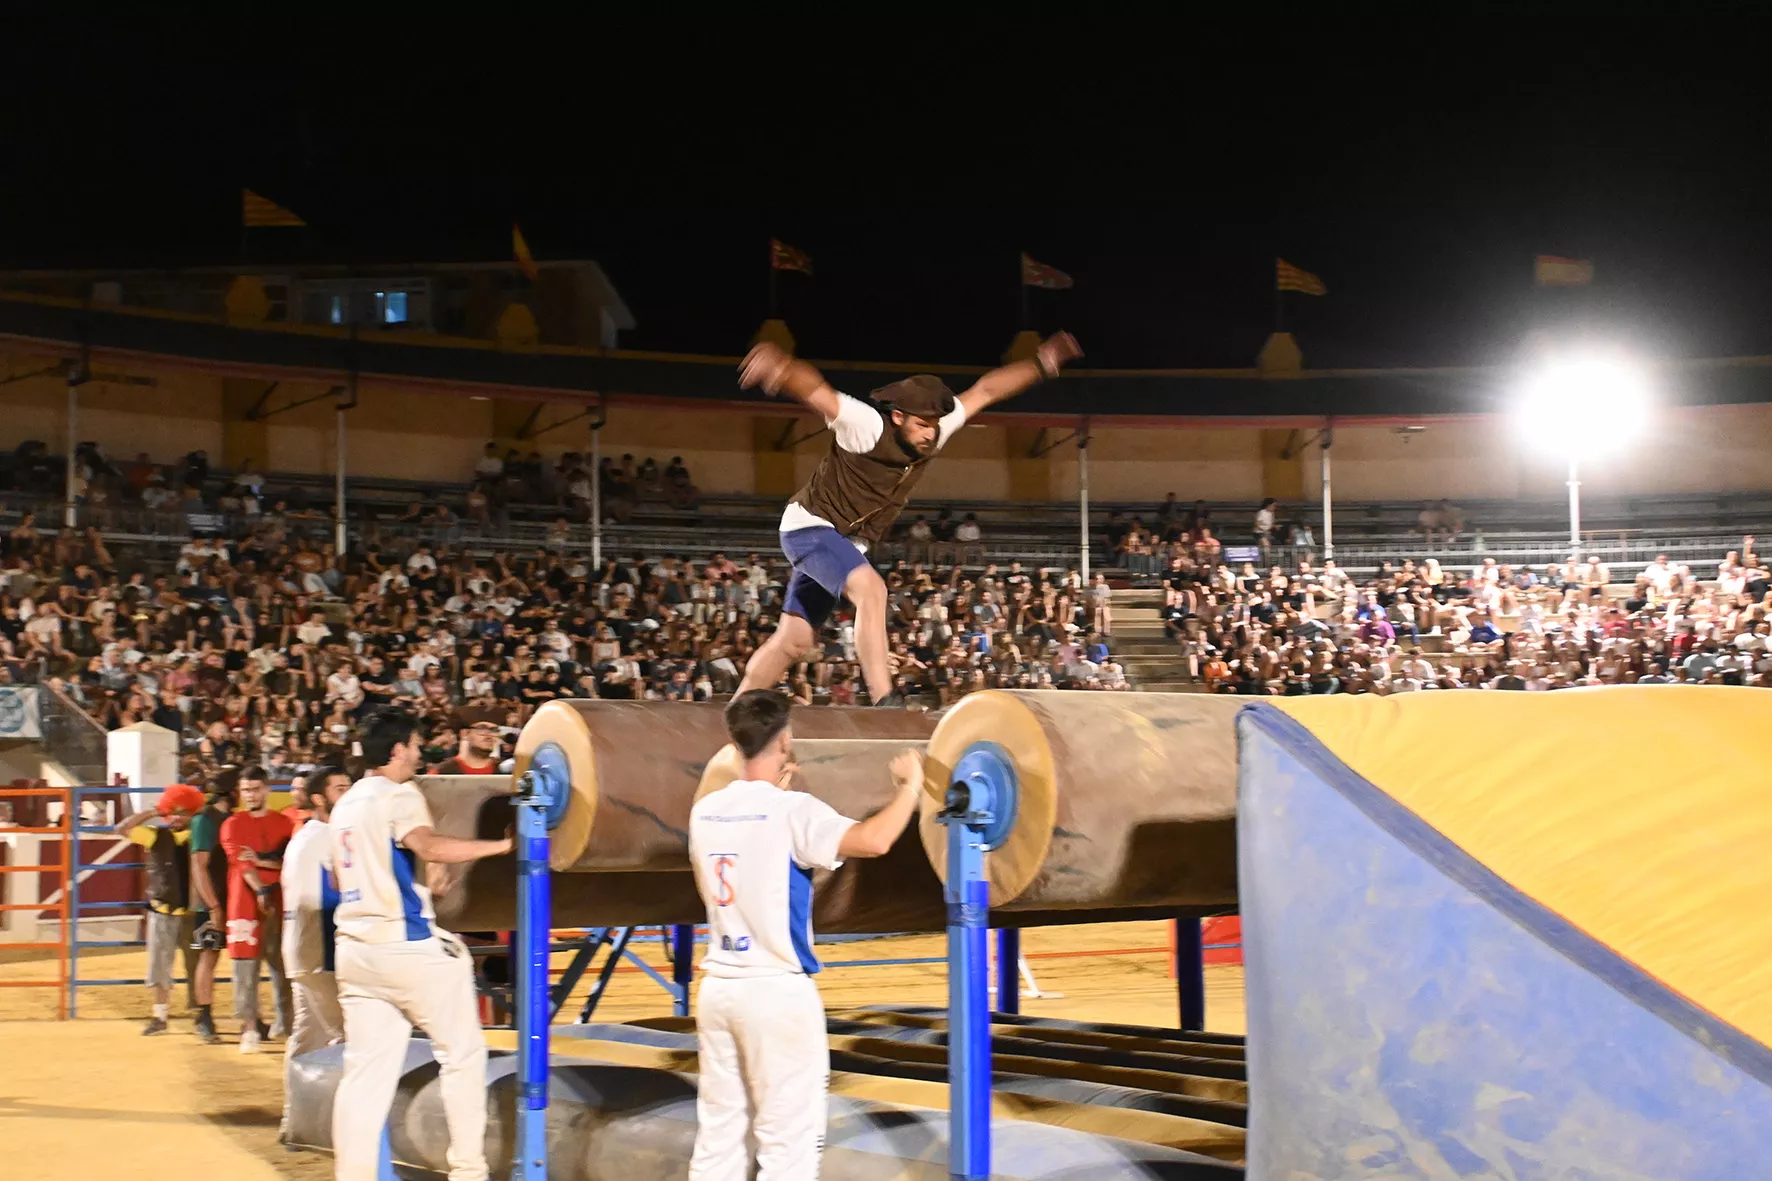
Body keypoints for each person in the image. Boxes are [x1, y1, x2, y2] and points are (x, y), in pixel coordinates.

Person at [734, 332, 1081, 706]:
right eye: (921, 425)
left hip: (843, 543)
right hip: (810, 528)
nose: (930, 434)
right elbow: (820, 393)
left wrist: (1041, 363)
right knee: (872, 590)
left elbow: (986, 390)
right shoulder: (867, 426)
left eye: (934, 424)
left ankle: (736, 714)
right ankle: (884, 700)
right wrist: (784, 368)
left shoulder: (936, 429)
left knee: (795, 641)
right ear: (898, 417)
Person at [687, 689, 927, 1180]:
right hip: (775, 990)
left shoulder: (705, 811)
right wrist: (910, 787)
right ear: (785, 740)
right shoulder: (792, 809)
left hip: (719, 987)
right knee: (788, 1148)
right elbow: (874, 841)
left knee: (719, 1140)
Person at [328, 708, 513, 1181]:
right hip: (405, 945)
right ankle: (468, 1171)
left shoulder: (345, 803)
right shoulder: (399, 793)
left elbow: (341, 877)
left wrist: (415, 887)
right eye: (413, 745)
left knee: (364, 1076)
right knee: (463, 1055)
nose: (418, 753)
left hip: (355, 948)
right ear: (396, 750)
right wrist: (501, 847)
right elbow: (429, 847)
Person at [279, 764, 351, 1140]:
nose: (348, 794)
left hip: (300, 950)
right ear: (320, 799)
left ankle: (296, 1120)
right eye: (340, 788)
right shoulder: (327, 836)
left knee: (307, 1036)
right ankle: (344, 1126)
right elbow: (331, 894)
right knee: (348, 1037)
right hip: (321, 951)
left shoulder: (303, 836)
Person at [115, 783, 205, 1035]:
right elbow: (121, 829)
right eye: (172, 811)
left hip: (193, 914)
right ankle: (160, 1016)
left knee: (197, 966)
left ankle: (201, 1015)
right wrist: (154, 811)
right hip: (163, 909)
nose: (176, 817)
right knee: (159, 966)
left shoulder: (200, 837)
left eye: (183, 812)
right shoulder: (155, 835)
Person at [221, 766, 296, 1052]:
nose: (250, 795)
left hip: (282, 902)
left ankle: (287, 1025)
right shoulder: (232, 824)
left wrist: (262, 860)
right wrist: (262, 888)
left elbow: (288, 861)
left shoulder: (284, 823)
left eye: (255, 789)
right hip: (244, 905)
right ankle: (249, 1028)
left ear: (266, 789)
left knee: (284, 965)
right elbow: (241, 862)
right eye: (245, 790)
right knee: (245, 967)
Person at [186, 772, 239, 1045]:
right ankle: (204, 1016)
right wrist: (214, 906)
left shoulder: (218, 818)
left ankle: (207, 1016)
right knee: (209, 956)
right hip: (212, 900)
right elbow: (199, 866)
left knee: (216, 957)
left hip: (229, 898)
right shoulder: (205, 820)